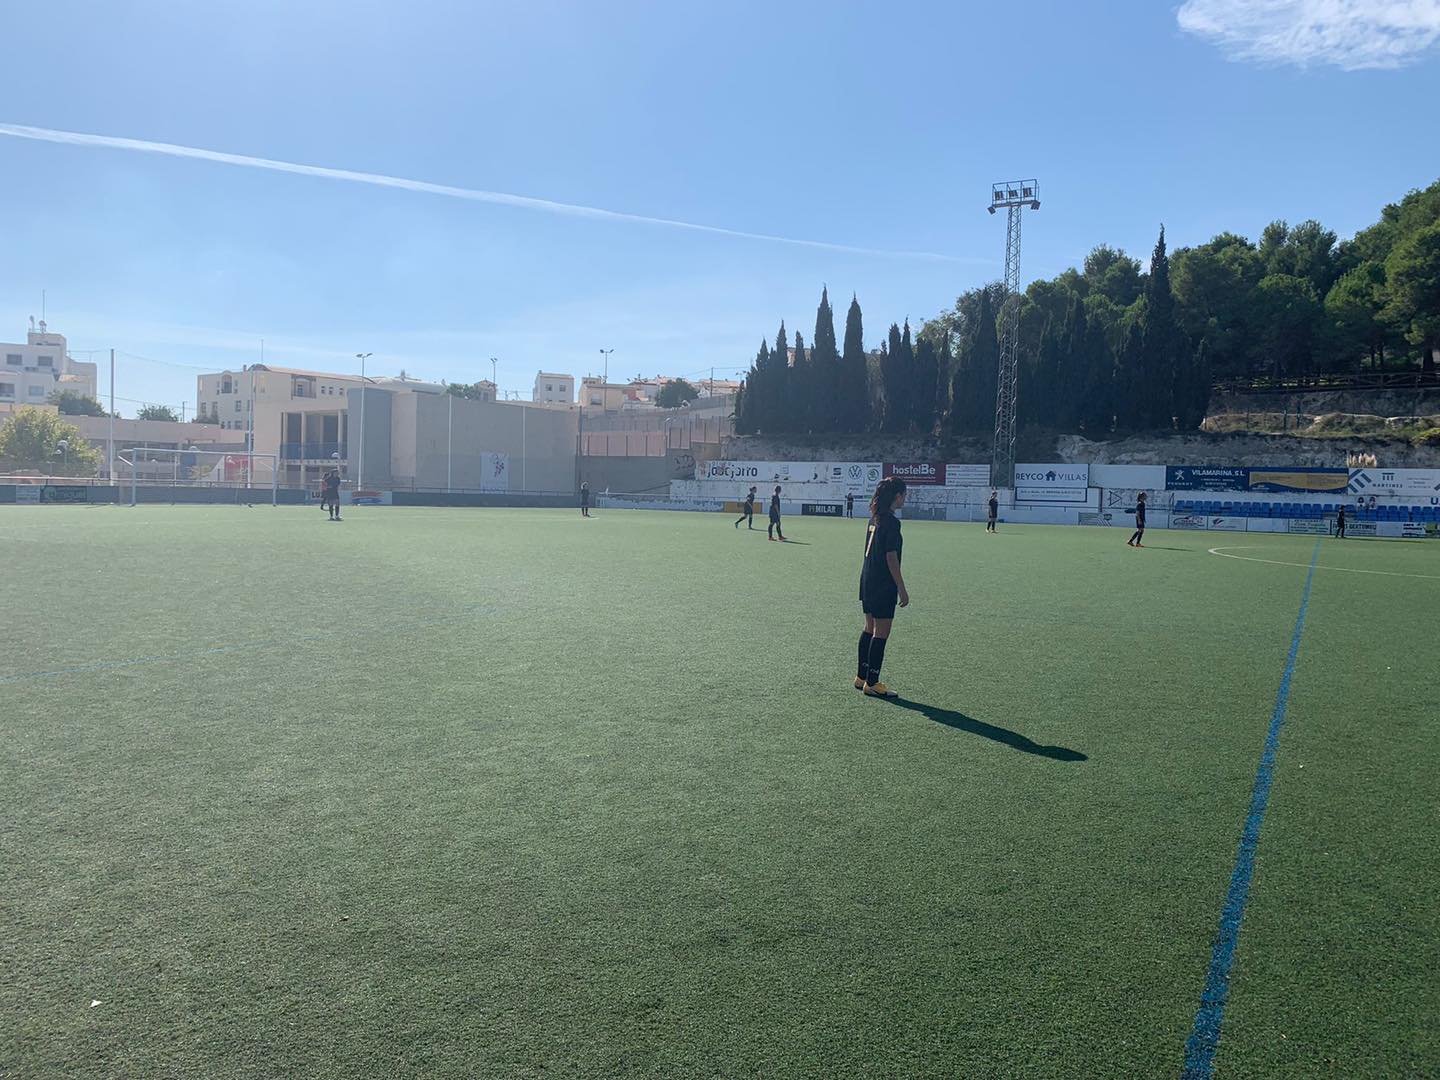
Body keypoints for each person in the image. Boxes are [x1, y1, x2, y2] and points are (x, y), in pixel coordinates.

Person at [855, 476, 909, 697]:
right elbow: (891, 558)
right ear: (897, 496)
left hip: (867, 579)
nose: (905, 499)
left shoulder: (874, 518)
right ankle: (873, 683)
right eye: (904, 495)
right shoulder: (891, 522)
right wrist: (902, 588)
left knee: (869, 627)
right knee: (882, 631)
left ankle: (861, 677)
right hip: (882, 583)